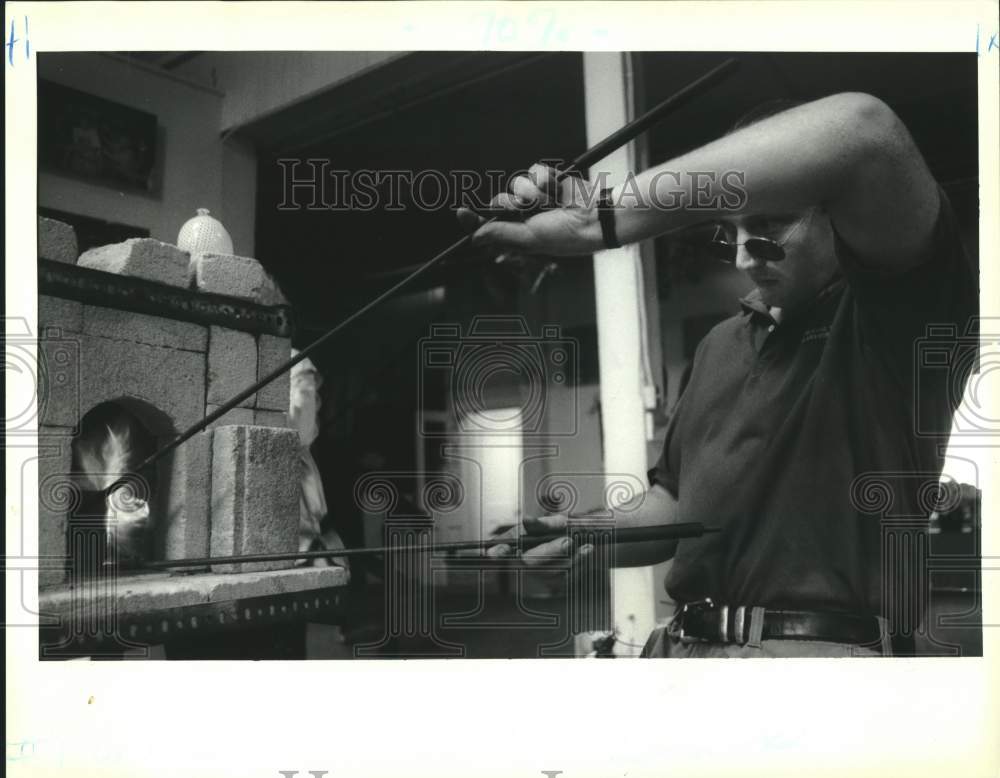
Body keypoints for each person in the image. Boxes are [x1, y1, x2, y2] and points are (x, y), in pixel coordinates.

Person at [457, 92, 977, 657]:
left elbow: (862, 130)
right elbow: (675, 500)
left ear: (838, 213)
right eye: (729, 232)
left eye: (768, 225)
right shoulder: (718, 345)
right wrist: (587, 535)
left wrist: (601, 219)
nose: (743, 258)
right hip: (683, 652)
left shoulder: (900, 317)